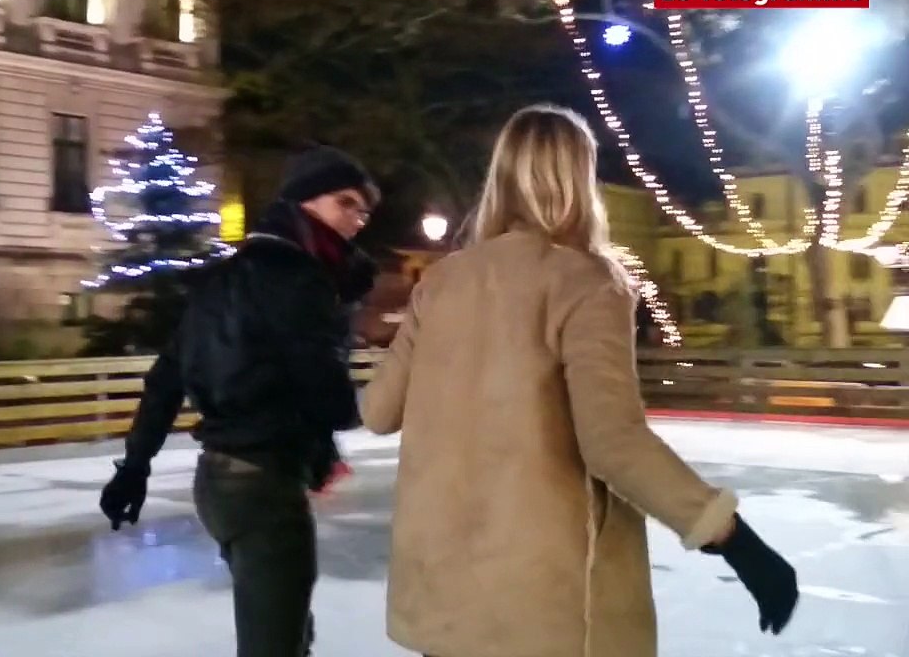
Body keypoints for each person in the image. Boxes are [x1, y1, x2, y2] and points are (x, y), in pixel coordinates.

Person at [360, 105, 798, 657]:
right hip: (546, 611)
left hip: (444, 600)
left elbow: (377, 411)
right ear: (578, 181)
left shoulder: (440, 284)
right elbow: (612, 443)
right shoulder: (587, 283)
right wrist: (736, 540)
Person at [99, 145, 380, 657]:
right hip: (265, 491)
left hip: (220, 487)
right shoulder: (299, 280)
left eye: (364, 211)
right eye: (346, 204)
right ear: (305, 203)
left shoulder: (224, 277)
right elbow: (333, 400)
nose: (358, 220)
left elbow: (166, 379)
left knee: (287, 630)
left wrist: (134, 467)